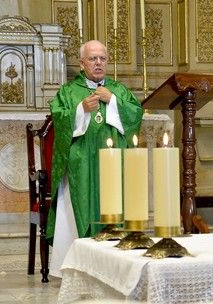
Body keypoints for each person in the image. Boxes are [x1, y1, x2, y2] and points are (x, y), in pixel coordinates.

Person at [48, 40, 143, 277]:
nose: (98, 63)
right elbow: (59, 121)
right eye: (92, 58)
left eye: (102, 58)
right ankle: (77, 268)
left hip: (114, 163)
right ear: (82, 63)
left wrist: (112, 101)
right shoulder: (69, 92)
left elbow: (135, 116)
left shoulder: (118, 91)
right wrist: (81, 109)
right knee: (76, 208)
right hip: (80, 165)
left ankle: (115, 266)